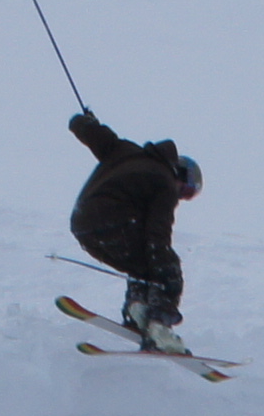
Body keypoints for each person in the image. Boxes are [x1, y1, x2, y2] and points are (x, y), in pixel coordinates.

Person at [66, 108, 203, 349]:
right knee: (165, 266)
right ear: (179, 174)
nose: (181, 197)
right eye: (186, 191)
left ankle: (137, 309)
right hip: (115, 223)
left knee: (141, 266)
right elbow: (157, 235)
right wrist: (165, 271)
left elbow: (98, 137)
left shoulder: (126, 152)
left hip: (83, 225)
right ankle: (159, 324)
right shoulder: (164, 183)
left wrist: (84, 122)